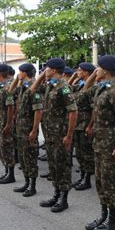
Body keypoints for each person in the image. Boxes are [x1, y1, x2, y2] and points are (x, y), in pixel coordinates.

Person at [85, 55, 115, 230]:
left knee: (110, 182)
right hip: (99, 143)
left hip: (110, 145)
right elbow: (83, 92)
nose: (97, 70)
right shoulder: (101, 88)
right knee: (101, 181)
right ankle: (103, 215)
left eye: (99, 67)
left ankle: (112, 221)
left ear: (105, 70)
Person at [38, 58, 77, 212]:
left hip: (60, 134)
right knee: (53, 165)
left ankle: (64, 199)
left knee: (62, 166)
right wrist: (43, 76)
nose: (44, 71)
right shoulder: (50, 85)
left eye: (47, 68)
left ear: (53, 70)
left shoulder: (64, 87)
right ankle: (56, 194)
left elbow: (73, 112)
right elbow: (32, 89)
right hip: (50, 134)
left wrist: (69, 135)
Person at [10, 63, 43, 197]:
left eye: (20, 72)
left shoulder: (34, 88)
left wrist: (34, 130)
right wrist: (17, 80)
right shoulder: (23, 86)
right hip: (20, 126)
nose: (19, 74)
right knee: (23, 157)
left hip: (28, 127)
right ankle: (26, 182)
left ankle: (32, 185)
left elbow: (38, 111)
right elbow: (10, 91)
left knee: (30, 157)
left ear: (25, 72)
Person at [71, 62, 96, 191]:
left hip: (85, 122)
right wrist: (75, 77)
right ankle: (82, 176)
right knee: (79, 152)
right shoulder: (80, 85)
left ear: (86, 72)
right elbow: (70, 89)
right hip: (77, 123)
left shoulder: (92, 88)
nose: (77, 72)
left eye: (80, 70)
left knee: (86, 152)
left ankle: (87, 179)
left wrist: (91, 125)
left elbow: (94, 109)